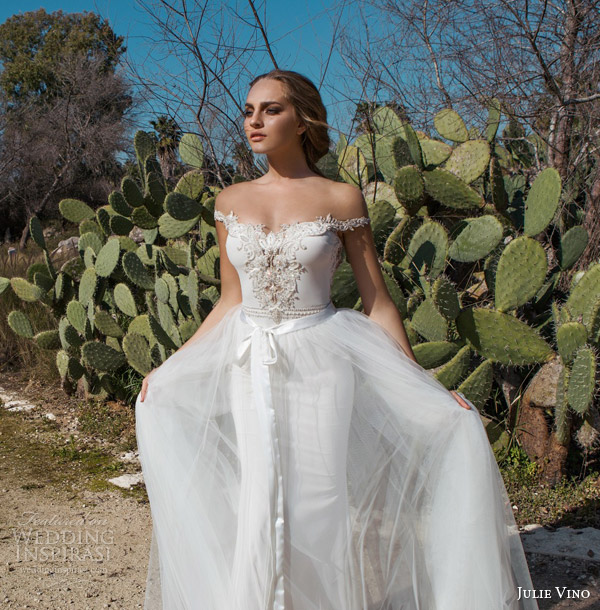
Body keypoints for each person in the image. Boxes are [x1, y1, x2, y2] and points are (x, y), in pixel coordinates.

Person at [135, 69, 539, 610]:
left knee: (320, 500)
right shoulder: (229, 201)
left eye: (270, 110)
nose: (254, 121)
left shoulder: (342, 198)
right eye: (249, 110)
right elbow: (231, 301)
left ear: (302, 120)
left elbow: (377, 302)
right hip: (248, 361)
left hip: (322, 362)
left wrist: (425, 385)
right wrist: (168, 369)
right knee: (260, 498)